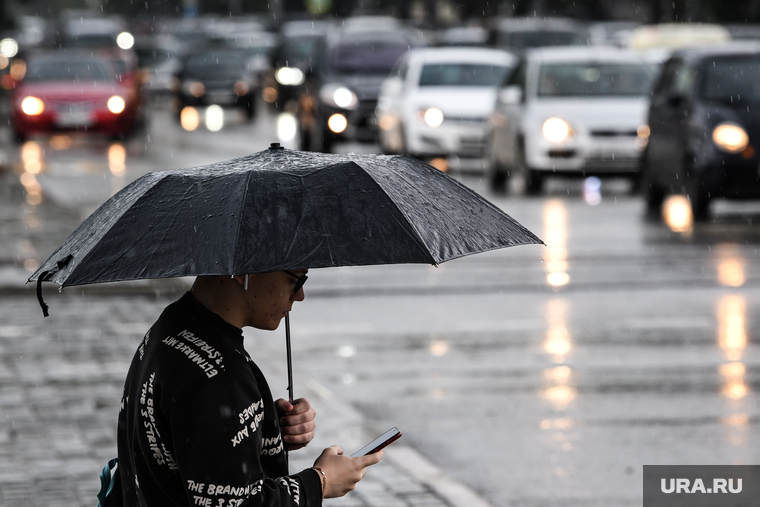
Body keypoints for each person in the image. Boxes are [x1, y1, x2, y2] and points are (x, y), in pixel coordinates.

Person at [115, 270, 382, 506]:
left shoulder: (172, 325)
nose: (300, 295)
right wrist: (321, 481)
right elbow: (238, 501)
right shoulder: (219, 377)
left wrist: (262, 427)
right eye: (295, 279)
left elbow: (191, 440)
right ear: (244, 271)